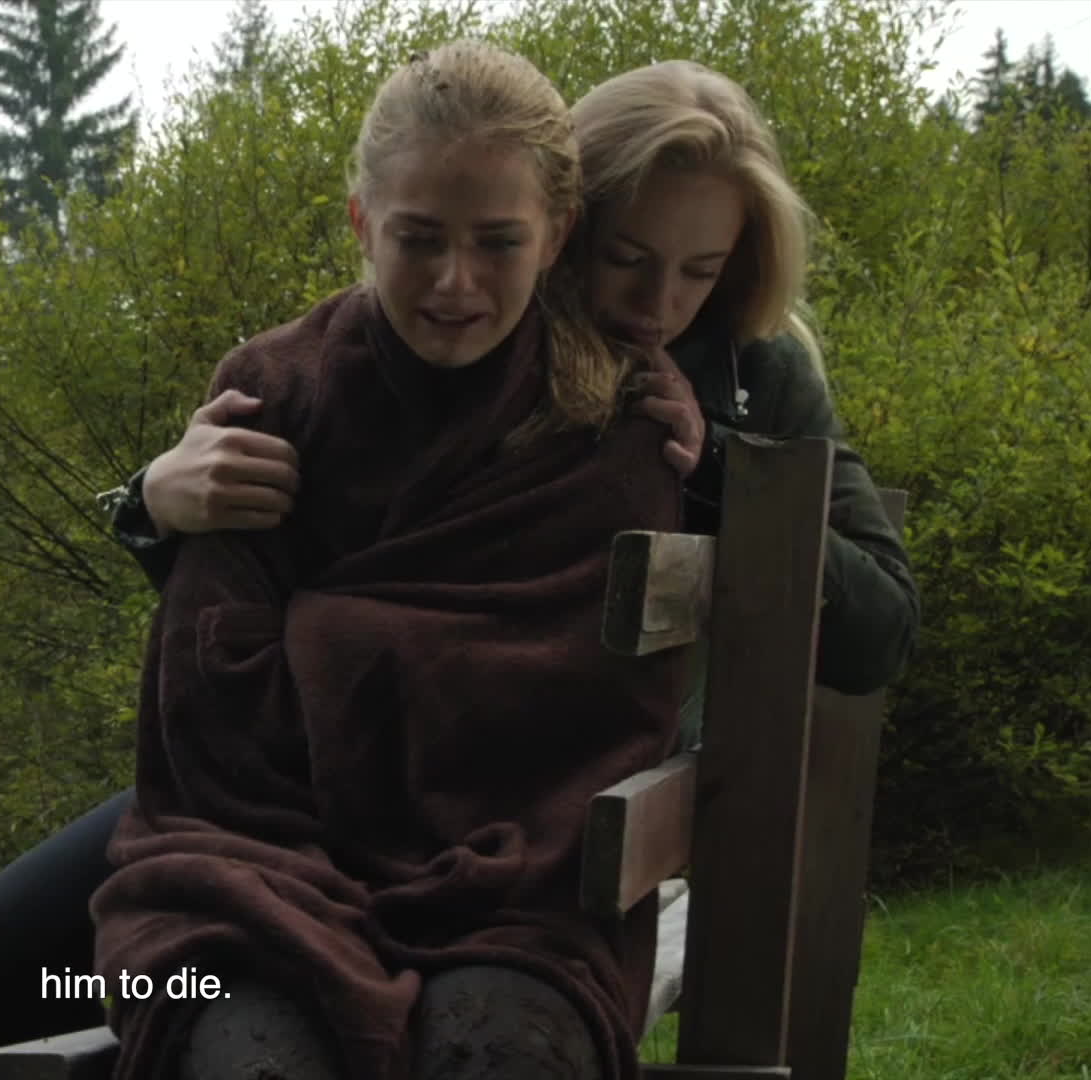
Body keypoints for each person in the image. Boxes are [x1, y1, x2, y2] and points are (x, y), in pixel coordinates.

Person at [0, 56, 922, 1072]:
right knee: (18, 951)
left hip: (538, 782)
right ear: (575, 234)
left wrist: (721, 467)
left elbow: (880, 624)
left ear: (544, 232)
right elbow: (252, 602)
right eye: (630, 257)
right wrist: (153, 500)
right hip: (311, 766)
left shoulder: (737, 379)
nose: (659, 303)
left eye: (701, 268)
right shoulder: (397, 342)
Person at [95, 39, 679, 1080]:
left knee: (496, 1052)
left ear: (557, 236)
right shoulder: (272, 395)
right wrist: (147, 502)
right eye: (418, 238)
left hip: (520, 893)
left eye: (498, 242)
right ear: (364, 222)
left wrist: (331, 633)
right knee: (237, 1049)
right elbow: (207, 703)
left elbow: (593, 714)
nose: (456, 282)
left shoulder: (609, 423)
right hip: (256, 866)